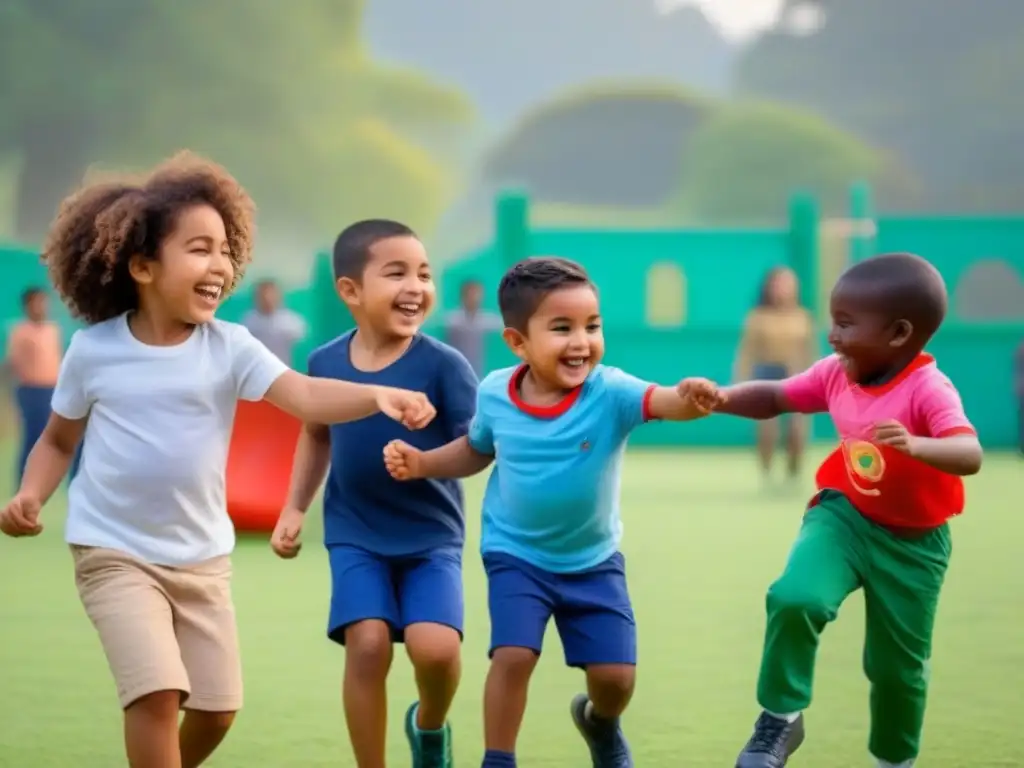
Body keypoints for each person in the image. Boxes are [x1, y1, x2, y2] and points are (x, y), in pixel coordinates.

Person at [0, 153, 436, 768]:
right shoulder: (93, 352)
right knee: (157, 693)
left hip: (202, 556)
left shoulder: (230, 346)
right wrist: (30, 495)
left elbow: (304, 395)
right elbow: (57, 440)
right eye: (199, 249)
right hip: (113, 550)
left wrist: (377, 393)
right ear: (143, 266)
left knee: (216, 708)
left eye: (225, 250)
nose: (220, 265)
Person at [383, 256, 724, 768]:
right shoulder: (496, 391)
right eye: (562, 328)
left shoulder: (609, 391)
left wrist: (689, 399)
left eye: (592, 326)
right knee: (513, 656)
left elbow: (663, 401)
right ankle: (499, 757)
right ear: (518, 342)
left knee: (614, 680)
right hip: (515, 553)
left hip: (593, 559)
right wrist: (424, 463)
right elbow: (477, 449)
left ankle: (600, 721)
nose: (581, 342)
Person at [715, 252, 983, 768]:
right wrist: (719, 398)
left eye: (844, 323)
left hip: (914, 543)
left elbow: (968, 453)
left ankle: (893, 760)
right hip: (844, 517)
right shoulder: (836, 373)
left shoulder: (929, 387)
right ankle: (780, 719)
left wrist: (916, 445)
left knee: (896, 671)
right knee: (795, 597)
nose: (831, 335)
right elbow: (776, 396)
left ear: (899, 333)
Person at [271, 219, 477, 768]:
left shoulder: (444, 365)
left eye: (425, 273)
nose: (417, 286)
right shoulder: (324, 363)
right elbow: (315, 435)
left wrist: (428, 459)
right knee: (367, 645)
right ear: (350, 291)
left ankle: (428, 726)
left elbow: (479, 448)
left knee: (437, 651)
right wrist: (295, 506)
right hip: (355, 531)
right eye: (397, 273)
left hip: (431, 534)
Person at [734, 266, 816, 483]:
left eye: (788, 284)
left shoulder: (803, 317)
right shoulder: (758, 317)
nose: (783, 289)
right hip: (766, 375)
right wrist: (740, 382)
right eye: (778, 284)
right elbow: (747, 352)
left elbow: (810, 351)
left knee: (797, 429)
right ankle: (767, 471)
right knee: (767, 430)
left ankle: (793, 472)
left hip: (797, 376)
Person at [5, 287, 62, 484]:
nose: (42, 307)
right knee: (33, 436)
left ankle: (46, 480)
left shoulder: (52, 330)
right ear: (28, 306)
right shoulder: (21, 331)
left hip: (53, 389)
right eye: (37, 302)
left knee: (54, 438)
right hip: (31, 390)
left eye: (44, 302)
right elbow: (13, 363)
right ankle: (23, 482)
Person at [442, 278, 503, 377]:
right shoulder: (453, 320)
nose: (474, 298)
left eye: (476, 294)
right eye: (470, 294)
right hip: (456, 370)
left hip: (478, 371)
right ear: (463, 296)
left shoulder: (487, 320)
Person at [242, 278, 307, 364]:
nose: (267, 299)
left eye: (271, 295)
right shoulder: (250, 321)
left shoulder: (291, 321)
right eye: (263, 295)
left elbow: (300, 343)